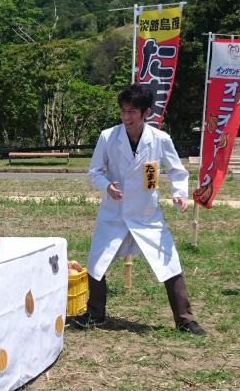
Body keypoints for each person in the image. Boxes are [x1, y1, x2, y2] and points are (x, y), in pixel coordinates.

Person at [70, 84, 206, 336]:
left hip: (146, 214)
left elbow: (177, 170)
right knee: (96, 261)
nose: (126, 117)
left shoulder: (160, 139)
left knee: (168, 262)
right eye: (123, 111)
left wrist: (179, 195)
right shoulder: (108, 136)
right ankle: (95, 315)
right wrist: (106, 186)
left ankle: (185, 320)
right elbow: (94, 172)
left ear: (146, 113)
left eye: (132, 112)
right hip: (114, 212)